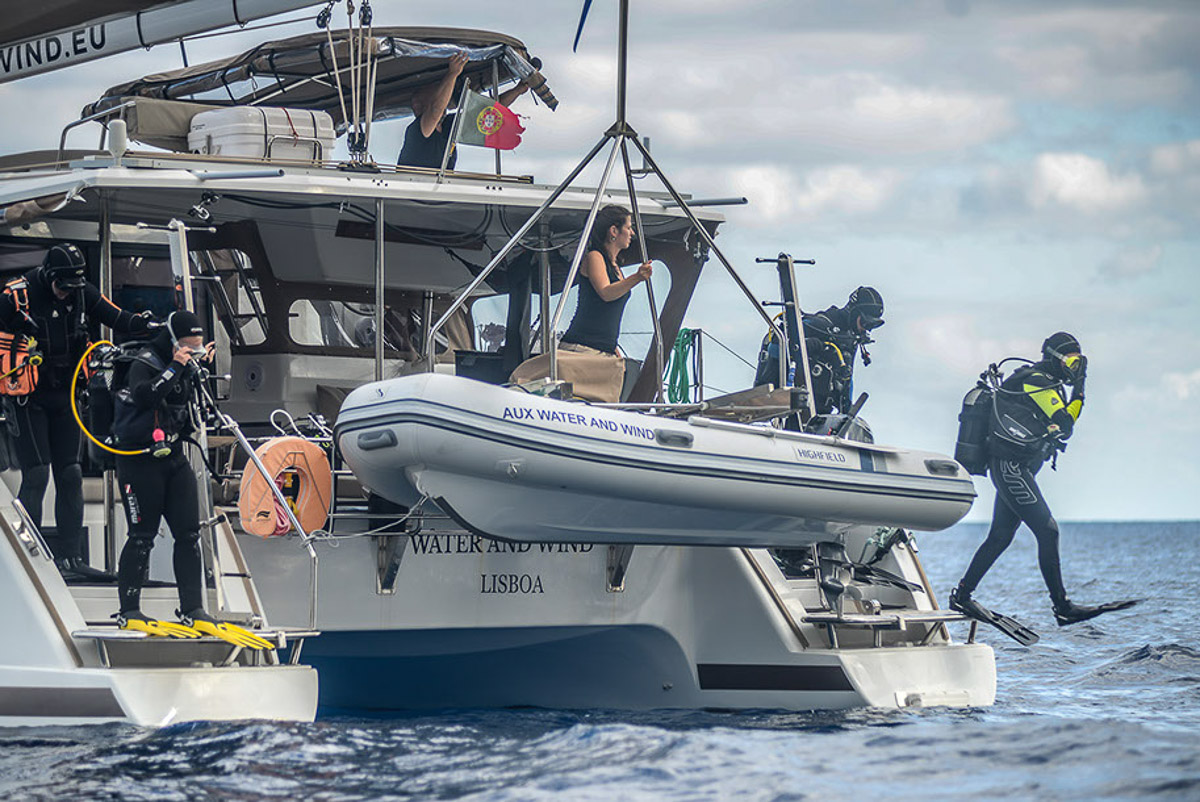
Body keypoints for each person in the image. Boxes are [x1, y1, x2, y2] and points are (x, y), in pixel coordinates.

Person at [109, 311, 271, 647]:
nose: (192, 355)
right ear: (173, 342)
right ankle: (129, 609)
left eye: (198, 350)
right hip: (139, 460)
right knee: (142, 535)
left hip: (173, 456)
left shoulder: (184, 365)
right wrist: (176, 367)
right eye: (188, 348)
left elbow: (188, 406)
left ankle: (192, 608)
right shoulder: (145, 361)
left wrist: (195, 367)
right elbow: (145, 396)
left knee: (189, 533)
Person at [950, 332, 1125, 627]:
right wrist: (1080, 388)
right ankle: (1062, 606)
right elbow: (1066, 424)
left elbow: (1058, 419)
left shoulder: (1045, 383)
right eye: (1071, 362)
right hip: (1010, 467)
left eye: (1079, 363)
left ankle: (962, 595)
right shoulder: (1036, 381)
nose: (1074, 369)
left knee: (1000, 537)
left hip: (1016, 467)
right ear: (1055, 359)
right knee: (1048, 531)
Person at [0, 243, 152, 581]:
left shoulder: (82, 294)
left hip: (66, 395)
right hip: (28, 399)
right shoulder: (16, 297)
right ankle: (27, 561)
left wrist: (152, 326)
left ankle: (70, 559)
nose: (68, 295)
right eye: (63, 288)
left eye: (73, 288)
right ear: (50, 277)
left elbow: (119, 318)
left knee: (69, 474)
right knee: (36, 475)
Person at [509, 205, 653, 402]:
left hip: (604, 353)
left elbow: (607, 312)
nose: (632, 233)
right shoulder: (594, 257)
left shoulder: (616, 266)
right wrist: (637, 278)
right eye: (628, 227)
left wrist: (614, 349)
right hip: (581, 349)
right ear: (613, 231)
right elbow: (605, 293)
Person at [754, 285, 885, 414]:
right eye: (865, 323)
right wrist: (807, 346)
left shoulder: (850, 338)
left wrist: (846, 410)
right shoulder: (820, 325)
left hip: (820, 413)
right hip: (792, 405)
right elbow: (776, 347)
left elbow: (847, 377)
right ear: (854, 313)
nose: (866, 329)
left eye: (871, 326)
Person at [397, 52, 530, 169]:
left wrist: (518, 90)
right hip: (412, 191)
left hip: (440, 191)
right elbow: (436, 109)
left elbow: (489, 113)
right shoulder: (416, 131)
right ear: (419, 105)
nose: (446, 100)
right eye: (439, 96)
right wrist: (452, 74)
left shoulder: (449, 124)